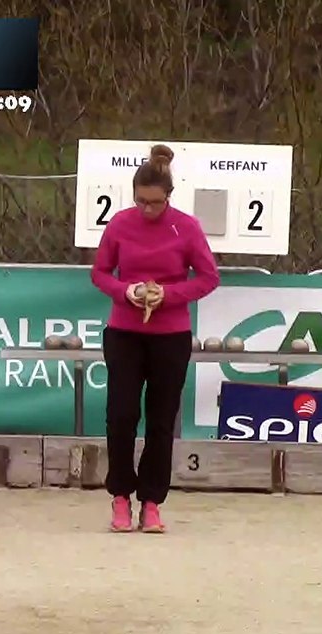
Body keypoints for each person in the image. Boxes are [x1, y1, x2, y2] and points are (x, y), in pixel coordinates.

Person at [90, 143, 220, 533]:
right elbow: (100, 273)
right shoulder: (119, 224)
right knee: (121, 415)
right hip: (124, 333)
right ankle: (120, 496)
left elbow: (208, 277)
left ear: (169, 197)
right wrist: (125, 291)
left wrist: (169, 294)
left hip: (170, 335)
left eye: (155, 203)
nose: (148, 209)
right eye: (141, 201)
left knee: (161, 420)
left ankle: (151, 502)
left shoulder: (186, 227)